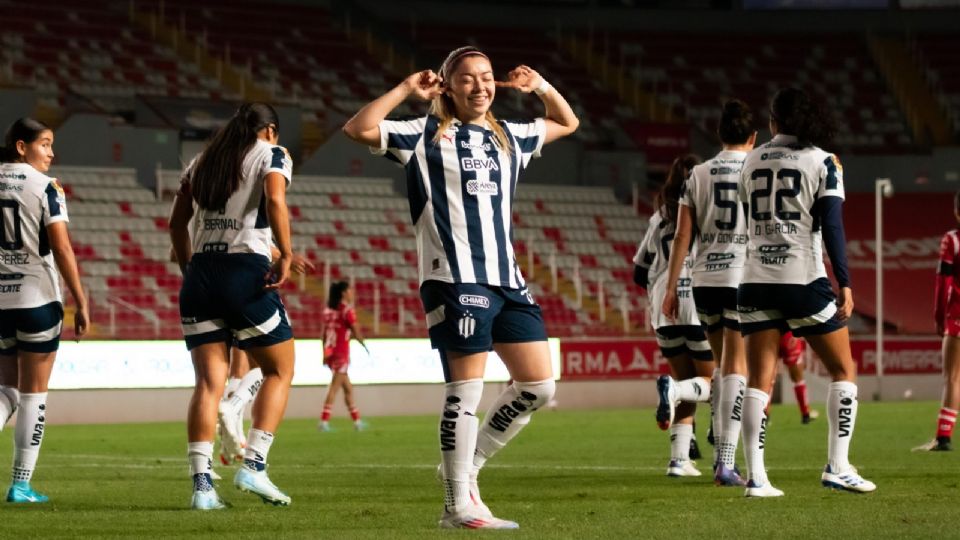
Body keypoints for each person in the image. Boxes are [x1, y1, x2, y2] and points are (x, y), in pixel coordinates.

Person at [342, 45, 578, 529]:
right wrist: (407, 90)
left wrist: (542, 87)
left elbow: (567, 122)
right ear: (448, 86)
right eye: (468, 78)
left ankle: (467, 469)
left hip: (506, 279)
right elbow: (359, 127)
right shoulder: (422, 134)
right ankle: (456, 506)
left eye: (487, 77)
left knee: (537, 385)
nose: (481, 85)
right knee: (464, 392)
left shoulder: (511, 135)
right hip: (454, 277)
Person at [736, 88, 876, 496]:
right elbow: (831, 225)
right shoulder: (824, 161)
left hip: (754, 280)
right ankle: (838, 465)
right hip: (802, 280)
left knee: (759, 382)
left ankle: (757, 478)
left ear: (774, 122)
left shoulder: (752, 159)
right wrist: (845, 282)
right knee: (843, 371)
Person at [169, 102, 298, 510]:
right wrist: (287, 255)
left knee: (208, 384)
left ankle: (202, 487)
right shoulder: (272, 153)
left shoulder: (203, 160)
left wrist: (190, 268)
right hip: (244, 273)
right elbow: (274, 200)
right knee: (279, 368)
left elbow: (177, 222)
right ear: (272, 130)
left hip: (200, 276)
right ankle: (254, 465)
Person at [662, 100, 756, 486]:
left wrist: (671, 288)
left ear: (719, 135)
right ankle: (726, 463)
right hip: (741, 275)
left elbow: (684, 235)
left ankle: (722, 456)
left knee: (720, 370)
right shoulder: (755, 166)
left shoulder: (697, 174)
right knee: (737, 369)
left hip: (703, 281)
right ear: (753, 136)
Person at [0, 118, 89, 503]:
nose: (51, 153)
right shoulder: (46, 187)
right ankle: (21, 484)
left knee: (6, 390)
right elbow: (63, 248)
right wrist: (81, 300)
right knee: (34, 394)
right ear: (22, 146)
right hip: (37, 298)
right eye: (45, 144)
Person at [634, 154, 714, 478]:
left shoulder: (659, 218)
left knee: (688, 382)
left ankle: (680, 459)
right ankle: (723, 458)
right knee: (716, 383)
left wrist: (658, 297)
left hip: (663, 308)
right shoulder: (706, 212)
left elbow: (639, 270)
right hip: (696, 303)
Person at [914, 190, 960, 452]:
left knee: (953, 377)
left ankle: (943, 437)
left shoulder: (952, 240)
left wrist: (939, 317)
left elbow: (943, 284)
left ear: (956, 211)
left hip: (957, 318)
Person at [318, 281, 369, 432]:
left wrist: (324, 353)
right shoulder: (347, 310)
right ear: (344, 293)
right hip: (341, 353)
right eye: (350, 290)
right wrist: (364, 344)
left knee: (348, 388)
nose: (352, 293)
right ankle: (323, 422)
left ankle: (357, 421)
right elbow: (356, 330)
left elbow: (324, 334)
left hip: (331, 352)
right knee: (334, 387)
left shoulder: (328, 311)